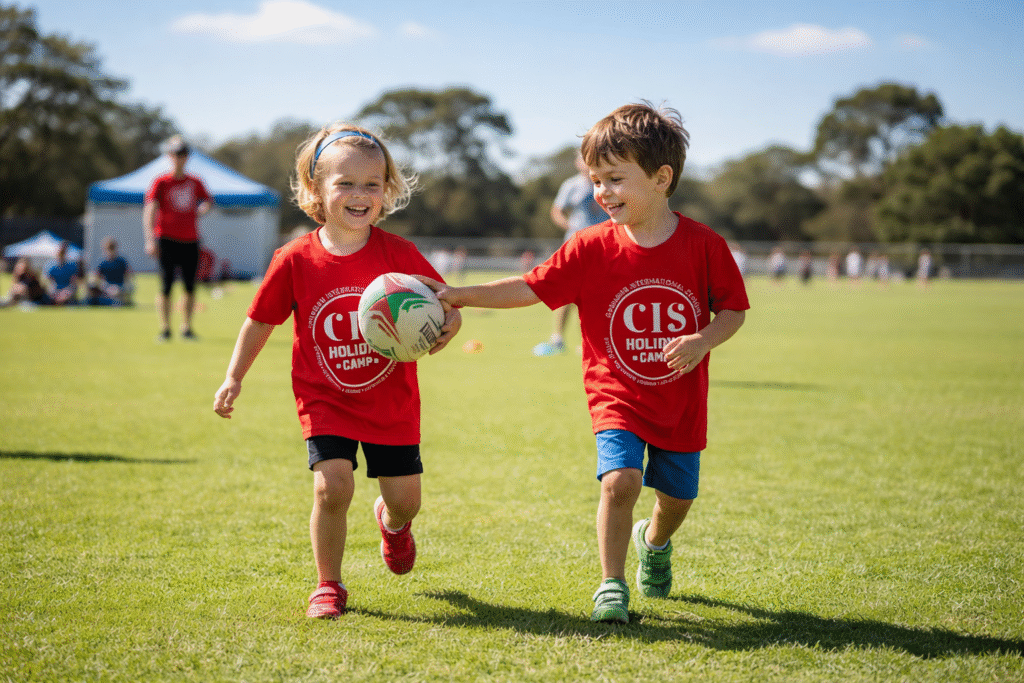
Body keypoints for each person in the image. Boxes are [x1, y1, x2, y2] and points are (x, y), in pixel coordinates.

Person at [417, 103, 748, 623]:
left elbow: (733, 311)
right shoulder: (589, 246)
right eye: (596, 180)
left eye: (615, 179)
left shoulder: (705, 246)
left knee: (677, 497)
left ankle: (654, 543)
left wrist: (703, 340)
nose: (602, 193)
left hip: (681, 401)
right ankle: (611, 585)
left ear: (662, 178)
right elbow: (530, 287)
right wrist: (461, 293)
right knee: (620, 482)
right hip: (616, 392)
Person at [212, 123, 462, 620]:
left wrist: (449, 324)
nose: (359, 194)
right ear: (315, 191)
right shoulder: (295, 259)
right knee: (332, 487)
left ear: (387, 192)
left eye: (372, 184)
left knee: (406, 500)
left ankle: (393, 525)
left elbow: (446, 303)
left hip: (390, 402)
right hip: (324, 397)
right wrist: (234, 376)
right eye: (344, 182)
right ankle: (329, 585)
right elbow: (260, 320)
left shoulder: (399, 256)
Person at [533, 154, 607, 356]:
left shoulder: (606, 181)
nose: (586, 163)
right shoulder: (571, 185)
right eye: (583, 159)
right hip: (575, 246)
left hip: (604, 246)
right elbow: (556, 210)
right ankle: (557, 338)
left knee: (597, 295)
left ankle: (591, 341)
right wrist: (569, 226)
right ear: (577, 162)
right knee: (566, 293)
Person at [143, 135, 213, 341]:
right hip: (166, 239)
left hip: (190, 239)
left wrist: (202, 209)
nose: (179, 157)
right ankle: (165, 329)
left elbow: (208, 201)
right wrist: (149, 239)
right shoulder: (161, 182)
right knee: (166, 284)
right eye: (175, 153)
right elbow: (150, 210)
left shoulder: (195, 181)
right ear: (169, 156)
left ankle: (186, 328)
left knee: (190, 285)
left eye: (183, 153)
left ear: (187, 157)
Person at [95, 236, 134, 305]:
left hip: (120, 285)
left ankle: (122, 301)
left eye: (112, 248)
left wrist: (121, 287)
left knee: (128, 287)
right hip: (107, 286)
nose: (110, 251)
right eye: (108, 248)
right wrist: (106, 287)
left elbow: (129, 276)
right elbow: (97, 279)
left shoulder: (121, 262)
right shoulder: (102, 263)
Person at [44, 241, 80, 306]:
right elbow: (47, 282)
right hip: (55, 290)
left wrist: (65, 291)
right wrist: (54, 290)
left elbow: (73, 283)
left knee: (67, 293)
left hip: (67, 290)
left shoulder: (72, 266)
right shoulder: (50, 266)